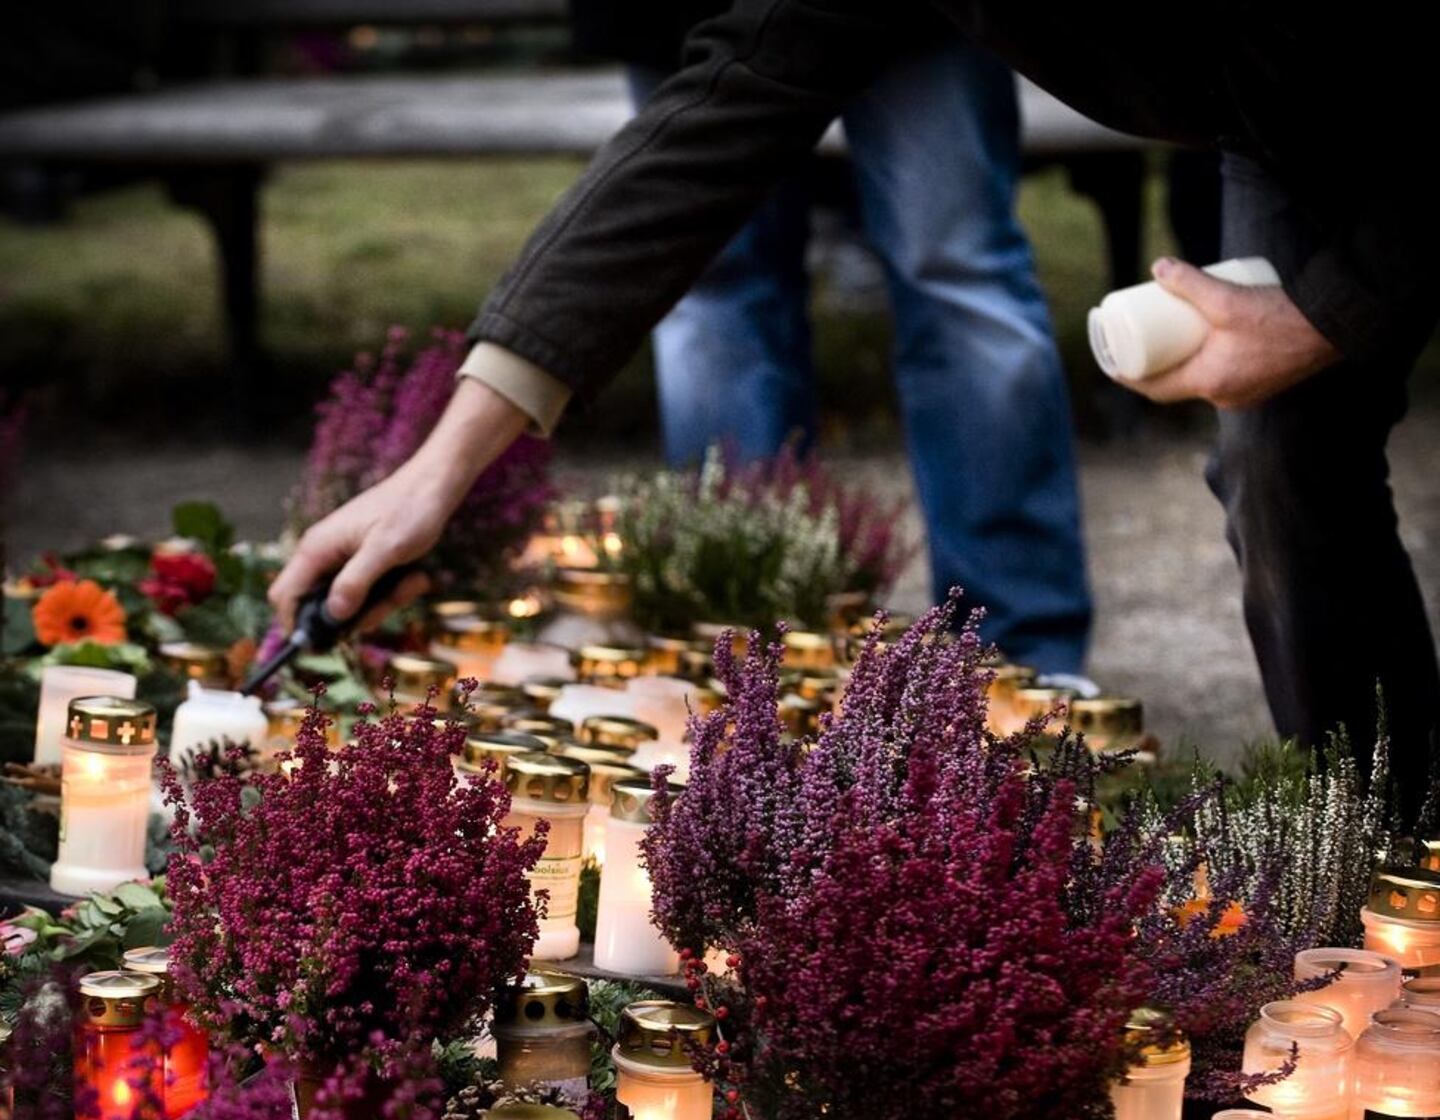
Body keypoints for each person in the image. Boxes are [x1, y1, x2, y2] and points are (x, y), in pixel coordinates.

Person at [272, 0, 1440, 808]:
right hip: (1287, 116)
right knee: (1285, 453)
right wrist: (441, 463)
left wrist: (1324, 314)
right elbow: (719, 115)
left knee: (1305, 397)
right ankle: (1399, 857)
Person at [574, 1, 1091, 678]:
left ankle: (1017, 659)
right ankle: (749, 650)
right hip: (687, 10)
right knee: (717, 281)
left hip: (921, 8)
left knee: (955, 265)